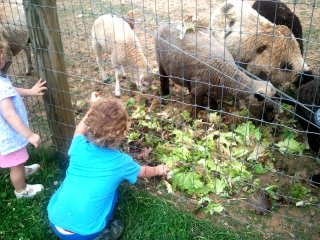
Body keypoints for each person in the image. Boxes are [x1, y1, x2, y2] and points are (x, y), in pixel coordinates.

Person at [47, 92, 170, 240]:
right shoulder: (121, 162)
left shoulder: (78, 146)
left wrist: (92, 108)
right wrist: (158, 169)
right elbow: (142, 171)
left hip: (55, 219)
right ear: (123, 133)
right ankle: (104, 235)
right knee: (113, 194)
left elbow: (79, 130)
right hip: (86, 232)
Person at [0, 37, 47, 198]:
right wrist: (29, 135)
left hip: (3, 135)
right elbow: (9, 114)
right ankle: (21, 190)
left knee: (14, 160)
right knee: (15, 163)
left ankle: (20, 168)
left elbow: (10, 90)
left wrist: (30, 91)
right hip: (9, 136)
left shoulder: (1, 82)